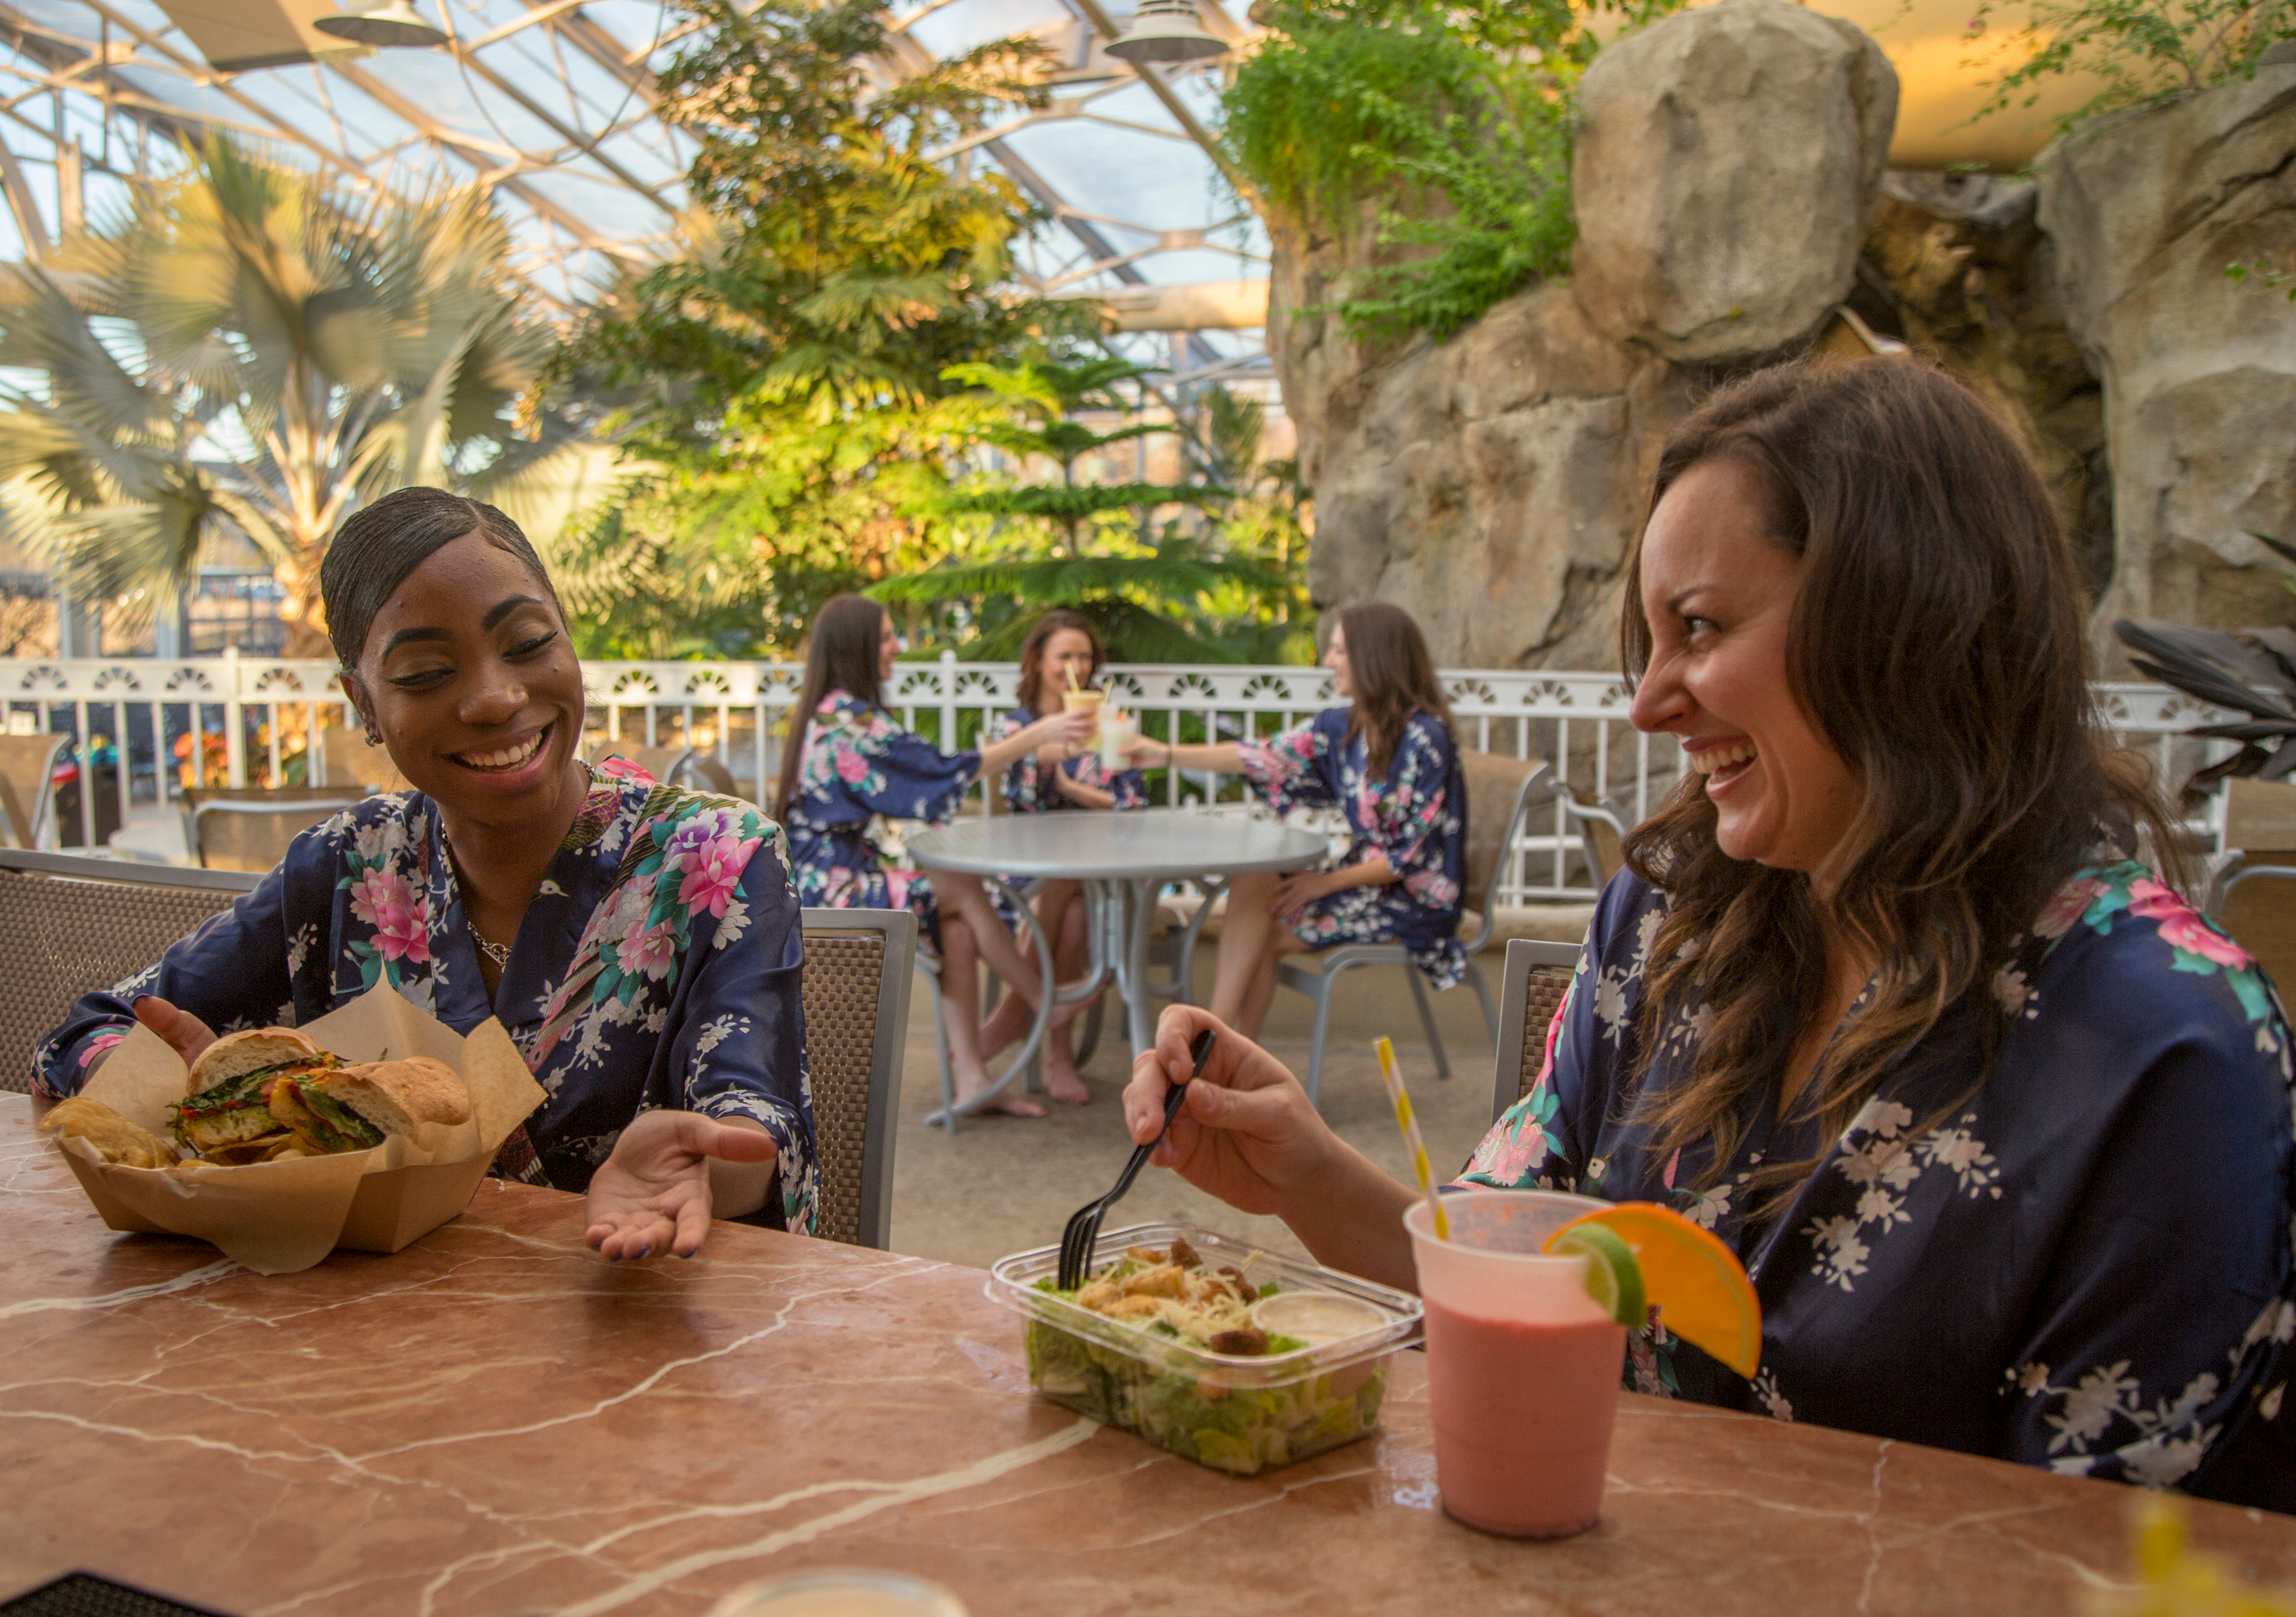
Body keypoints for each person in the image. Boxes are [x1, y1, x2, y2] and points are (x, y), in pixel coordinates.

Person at [1121, 357, 2296, 1509]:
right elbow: (1510, 1274)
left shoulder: (2167, 1052)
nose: (1649, 701)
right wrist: (1307, 1173)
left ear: (1903, 619)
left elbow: (2110, 1570)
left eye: (1700, 627)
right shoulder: (1675, 914)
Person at [35, 487, 813, 1262]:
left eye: (528, 641)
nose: (495, 697)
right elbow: (86, 1032)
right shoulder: (344, 869)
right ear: (362, 703)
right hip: (364, 1338)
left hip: (630, 1325)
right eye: (425, 672)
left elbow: (751, 1126)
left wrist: (697, 1167)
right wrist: (190, 1091)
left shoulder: (717, 859)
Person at [778, 594, 1094, 1117]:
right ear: (856, 645)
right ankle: (1043, 1002)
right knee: (956, 884)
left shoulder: (838, 713)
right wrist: (1037, 734)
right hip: (826, 889)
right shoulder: (848, 721)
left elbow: (928, 776)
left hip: (833, 873)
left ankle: (973, 1079)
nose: (896, 647)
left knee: (960, 923)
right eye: (885, 637)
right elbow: (941, 772)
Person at [1134, 602, 1466, 1041]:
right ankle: (1218, 1045)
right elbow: (1264, 756)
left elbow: (1408, 857)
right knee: (1254, 880)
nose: (1328, 662)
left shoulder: (1427, 738)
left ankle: (1217, 1048)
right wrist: (1165, 754)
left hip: (1414, 899)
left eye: (1339, 651)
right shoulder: (1344, 727)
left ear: (1375, 657)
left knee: (1268, 931)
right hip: (1363, 883)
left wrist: (1321, 884)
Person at [974, 610, 1148, 1104]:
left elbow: (1134, 801)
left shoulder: (1109, 722)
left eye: (1085, 655)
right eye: (1064, 656)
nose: (1077, 664)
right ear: (1038, 661)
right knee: (1068, 908)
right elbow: (1008, 784)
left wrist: (1072, 785)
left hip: (1101, 871)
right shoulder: (1017, 726)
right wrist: (1044, 751)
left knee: (1075, 893)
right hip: (1027, 872)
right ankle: (1059, 1056)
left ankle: (1014, 1016)